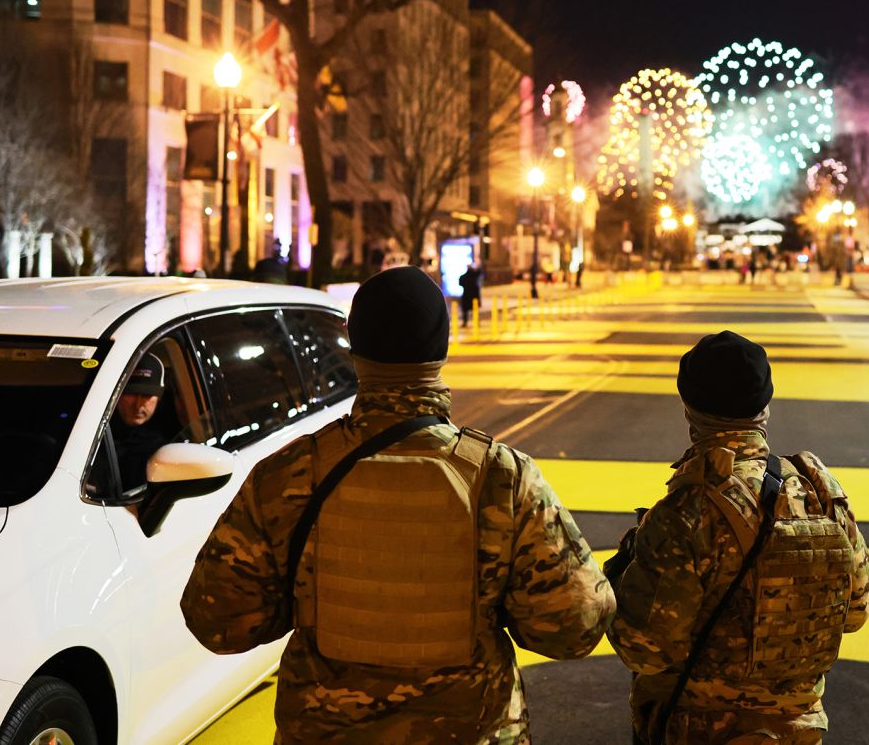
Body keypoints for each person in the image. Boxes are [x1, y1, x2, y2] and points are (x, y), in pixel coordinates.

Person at [181, 266, 614, 741]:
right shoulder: (504, 478)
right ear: (441, 350)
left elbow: (217, 620)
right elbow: (574, 626)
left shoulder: (289, 474)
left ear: (353, 347)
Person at [605, 331, 869, 744]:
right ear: (764, 407)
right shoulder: (816, 489)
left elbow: (643, 647)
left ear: (690, 410)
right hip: (799, 731)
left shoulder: (687, 510)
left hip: (702, 730)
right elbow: (857, 610)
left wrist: (618, 581)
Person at [110, 354, 170, 490]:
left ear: (159, 398)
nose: (138, 405)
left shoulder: (166, 441)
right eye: (131, 394)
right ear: (117, 395)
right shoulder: (92, 432)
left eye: (147, 395)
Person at [458, 262, 482, 327]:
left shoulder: (463, 276)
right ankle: (476, 323)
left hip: (466, 295)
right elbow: (480, 271)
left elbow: (460, 283)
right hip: (474, 296)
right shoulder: (475, 275)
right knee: (475, 310)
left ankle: (465, 323)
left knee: (465, 310)